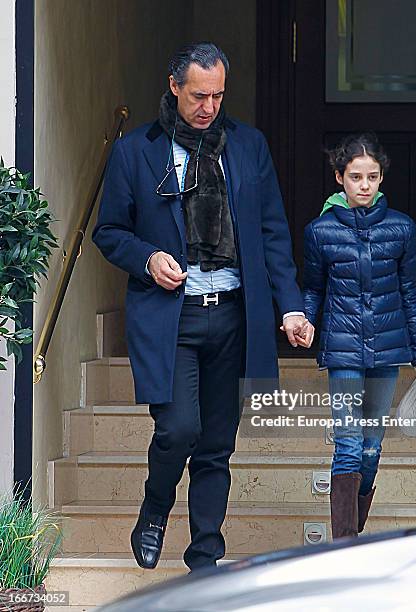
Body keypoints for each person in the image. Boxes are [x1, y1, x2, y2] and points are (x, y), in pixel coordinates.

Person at [92, 42, 314, 571]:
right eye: (198, 95)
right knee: (178, 429)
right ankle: (155, 506)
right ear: (174, 87)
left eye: (217, 95)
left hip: (234, 312)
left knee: (216, 443)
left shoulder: (248, 145)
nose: (208, 106)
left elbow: (271, 233)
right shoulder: (135, 151)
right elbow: (109, 231)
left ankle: (205, 561)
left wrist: (290, 307)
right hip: (173, 314)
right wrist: (147, 259)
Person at [302, 133, 416, 539]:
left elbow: (409, 292)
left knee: (371, 447)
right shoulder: (320, 231)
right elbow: (313, 288)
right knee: (347, 442)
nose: (364, 185)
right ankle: (343, 547)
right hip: (342, 350)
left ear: (381, 178)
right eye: (355, 176)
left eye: (372, 176)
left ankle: (351, 537)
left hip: (388, 347)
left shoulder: (401, 228)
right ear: (339, 177)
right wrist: (304, 320)